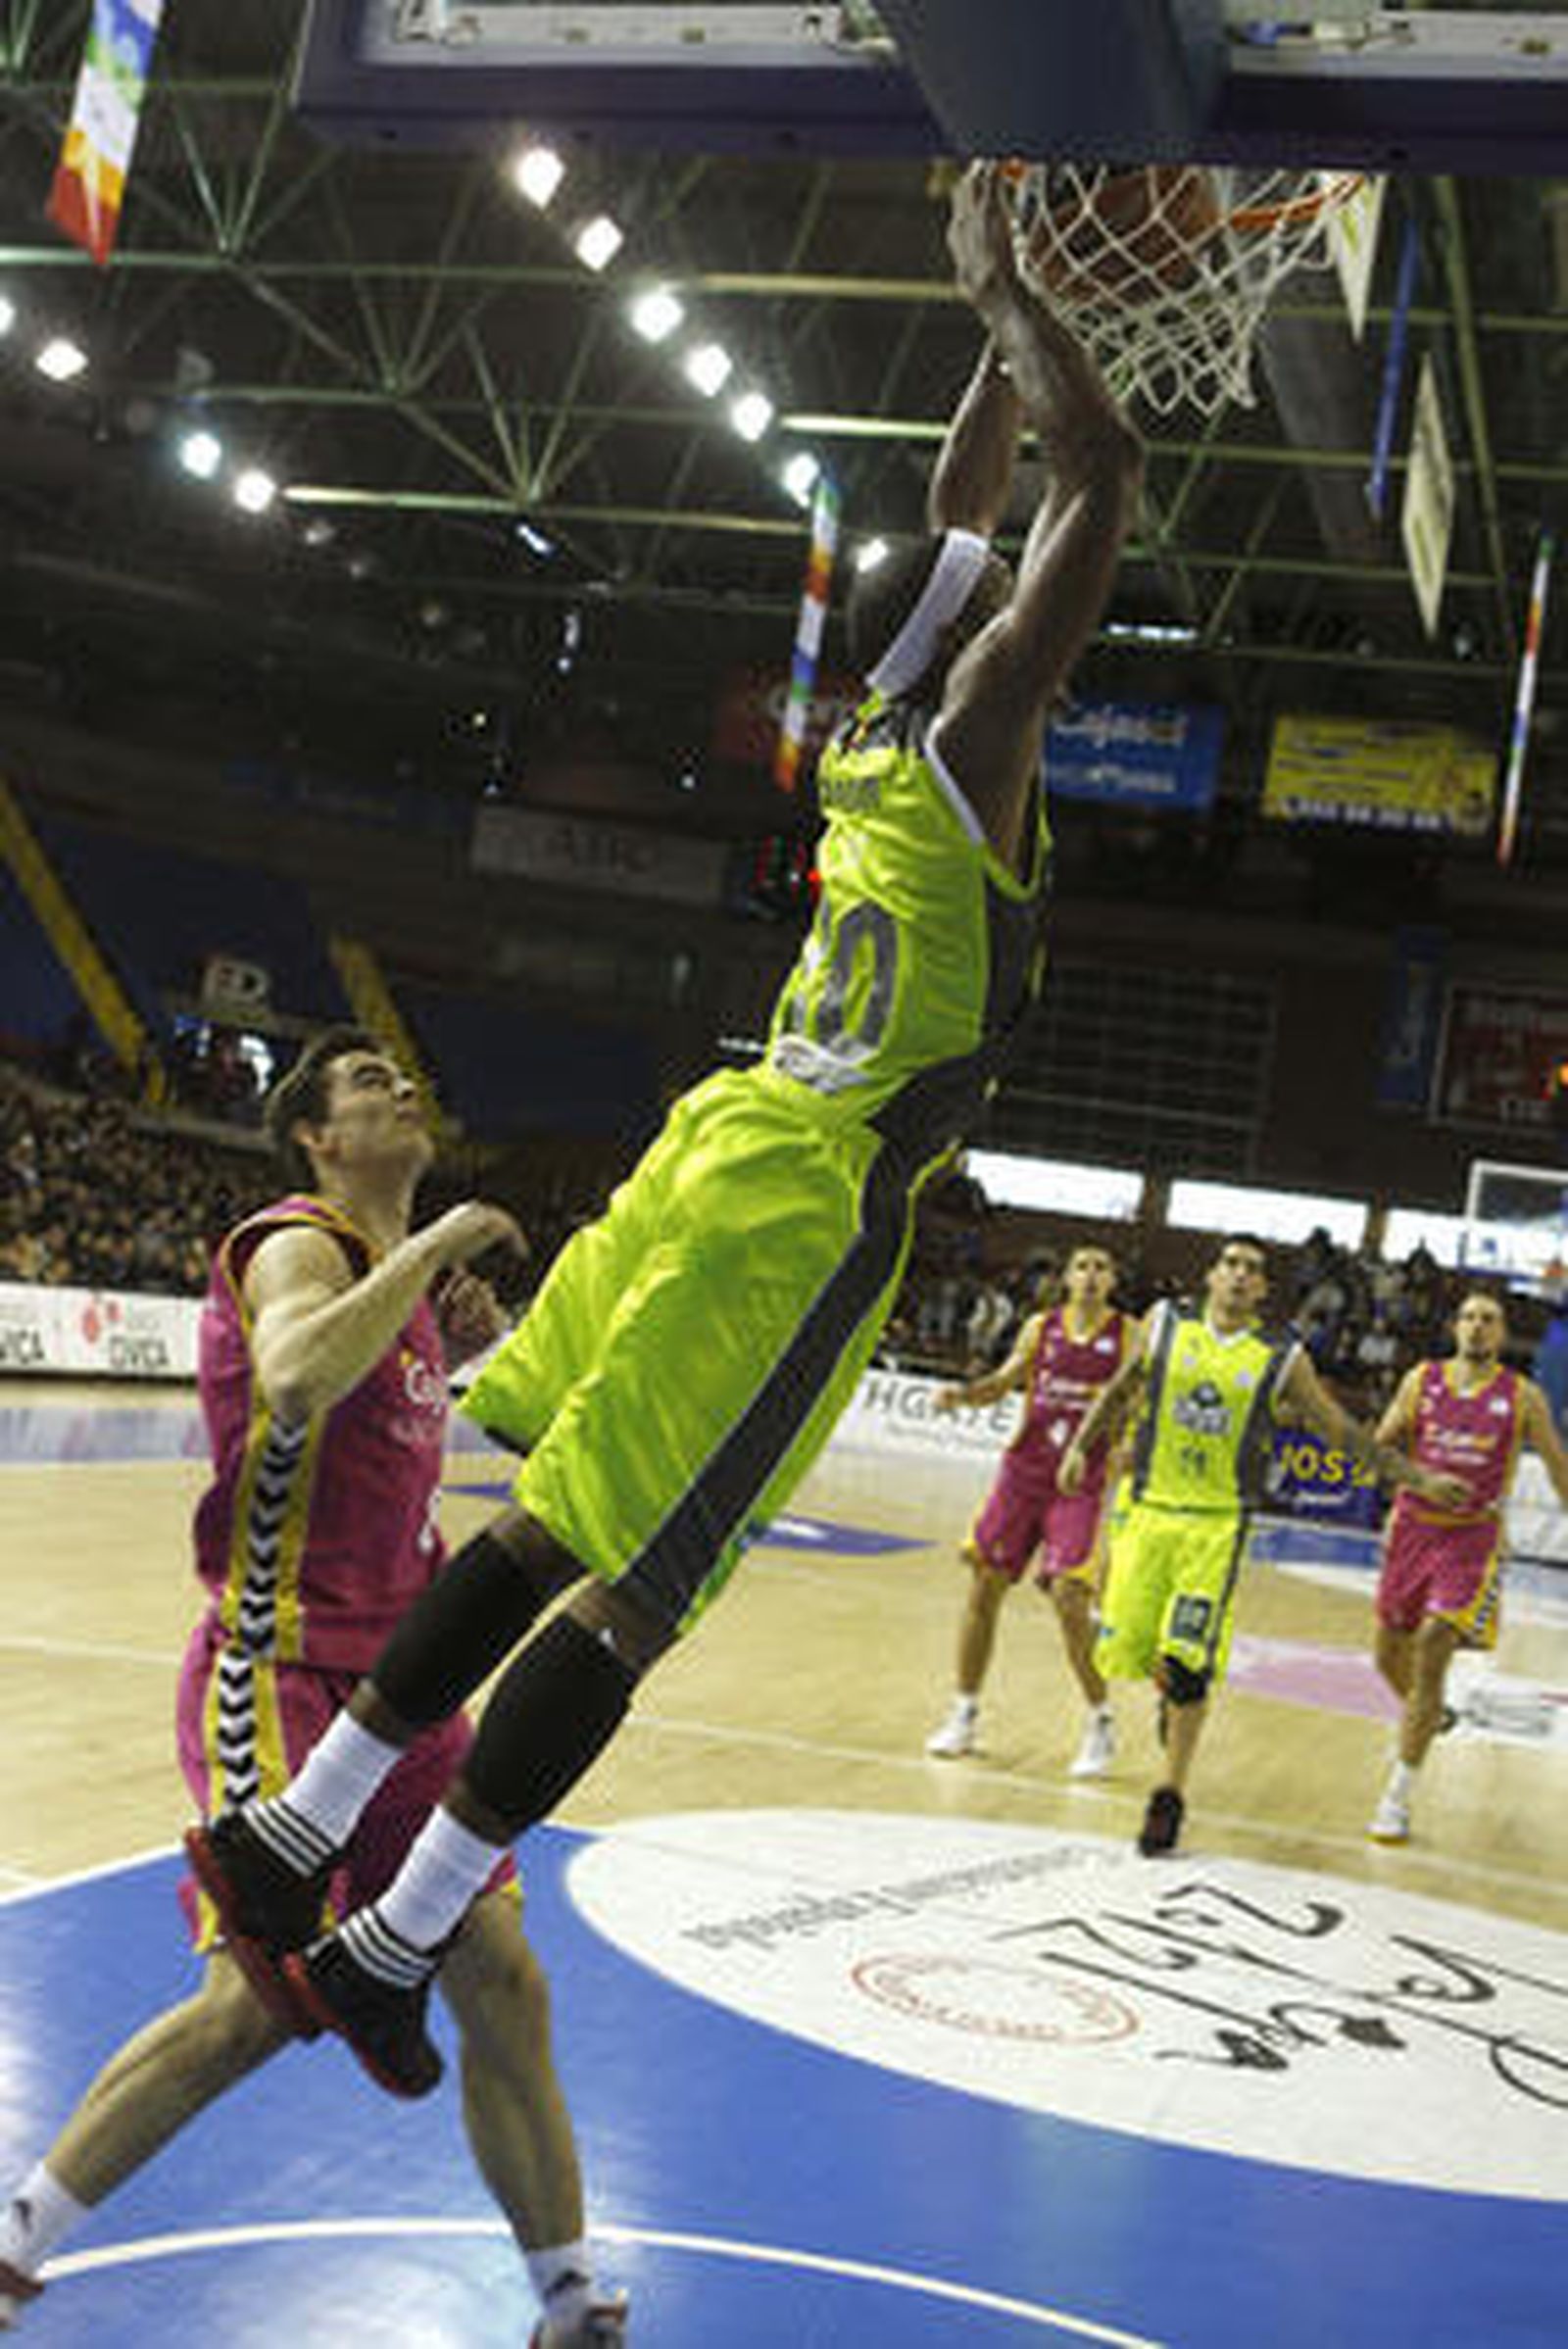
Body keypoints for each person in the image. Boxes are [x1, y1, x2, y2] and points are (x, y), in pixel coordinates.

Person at [183, 161, 1146, 2104]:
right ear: (980, 650)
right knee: (633, 1594)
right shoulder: (965, 738)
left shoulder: (877, 730)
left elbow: (970, 512)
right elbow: (1094, 483)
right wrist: (1043, 330)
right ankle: (393, 1934)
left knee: (547, 1518)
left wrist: (994, 305)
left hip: (720, 1136)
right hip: (809, 1191)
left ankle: (300, 1830)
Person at [0, 1028, 625, 2349]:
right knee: (253, 2006)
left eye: (409, 1072)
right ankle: (13, 2246)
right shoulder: (297, 1238)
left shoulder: (403, 1295)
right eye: (364, 1083)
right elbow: (290, 1375)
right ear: (319, 1140)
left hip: (409, 1684)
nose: (401, 1083)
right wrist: (425, 1249)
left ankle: (571, 2303)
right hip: (277, 1680)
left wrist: (459, 1322)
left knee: (503, 1974)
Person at [1060, 1235, 1467, 1857]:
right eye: (1230, 1264)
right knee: (1138, 1654)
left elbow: (1342, 1432)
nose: (1240, 1276)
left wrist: (1417, 1479)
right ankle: (1171, 1696)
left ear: (1265, 1289)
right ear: (1210, 1274)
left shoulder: (1282, 1356)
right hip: (1144, 1515)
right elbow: (1119, 1388)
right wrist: (1079, 1447)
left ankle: (1169, 1796)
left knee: (1190, 1667)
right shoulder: (1165, 1322)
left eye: (1253, 1270)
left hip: (1216, 1527)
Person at [1366, 1289, 1568, 1844]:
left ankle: (1398, 1795)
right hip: (1412, 1529)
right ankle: (1428, 1716)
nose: (1478, 1327)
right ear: (1455, 1327)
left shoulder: (1523, 1396)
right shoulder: (1419, 1380)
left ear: (1502, 1335)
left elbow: (1557, 1466)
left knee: (1434, 1643)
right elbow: (1377, 1448)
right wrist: (1415, 1483)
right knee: (1387, 1655)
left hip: (1471, 1539)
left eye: (1489, 1320)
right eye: (1469, 1318)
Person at [926, 1245, 1130, 1775]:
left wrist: (1127, 1451)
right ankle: (963, 1713)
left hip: (1079, 1482)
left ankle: (1100, 1720)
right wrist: (963, 1394)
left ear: (1112, 1281)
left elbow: (1138, 1404)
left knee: (1069, 1597)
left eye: (1100, 1268)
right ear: (1066, 1277)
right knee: (984, 1586)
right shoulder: (1041, 1328)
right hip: (1024, 1474)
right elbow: (1002, 1382)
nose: (1090, 1275)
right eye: (1081, 1265)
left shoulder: (1128, 1334)